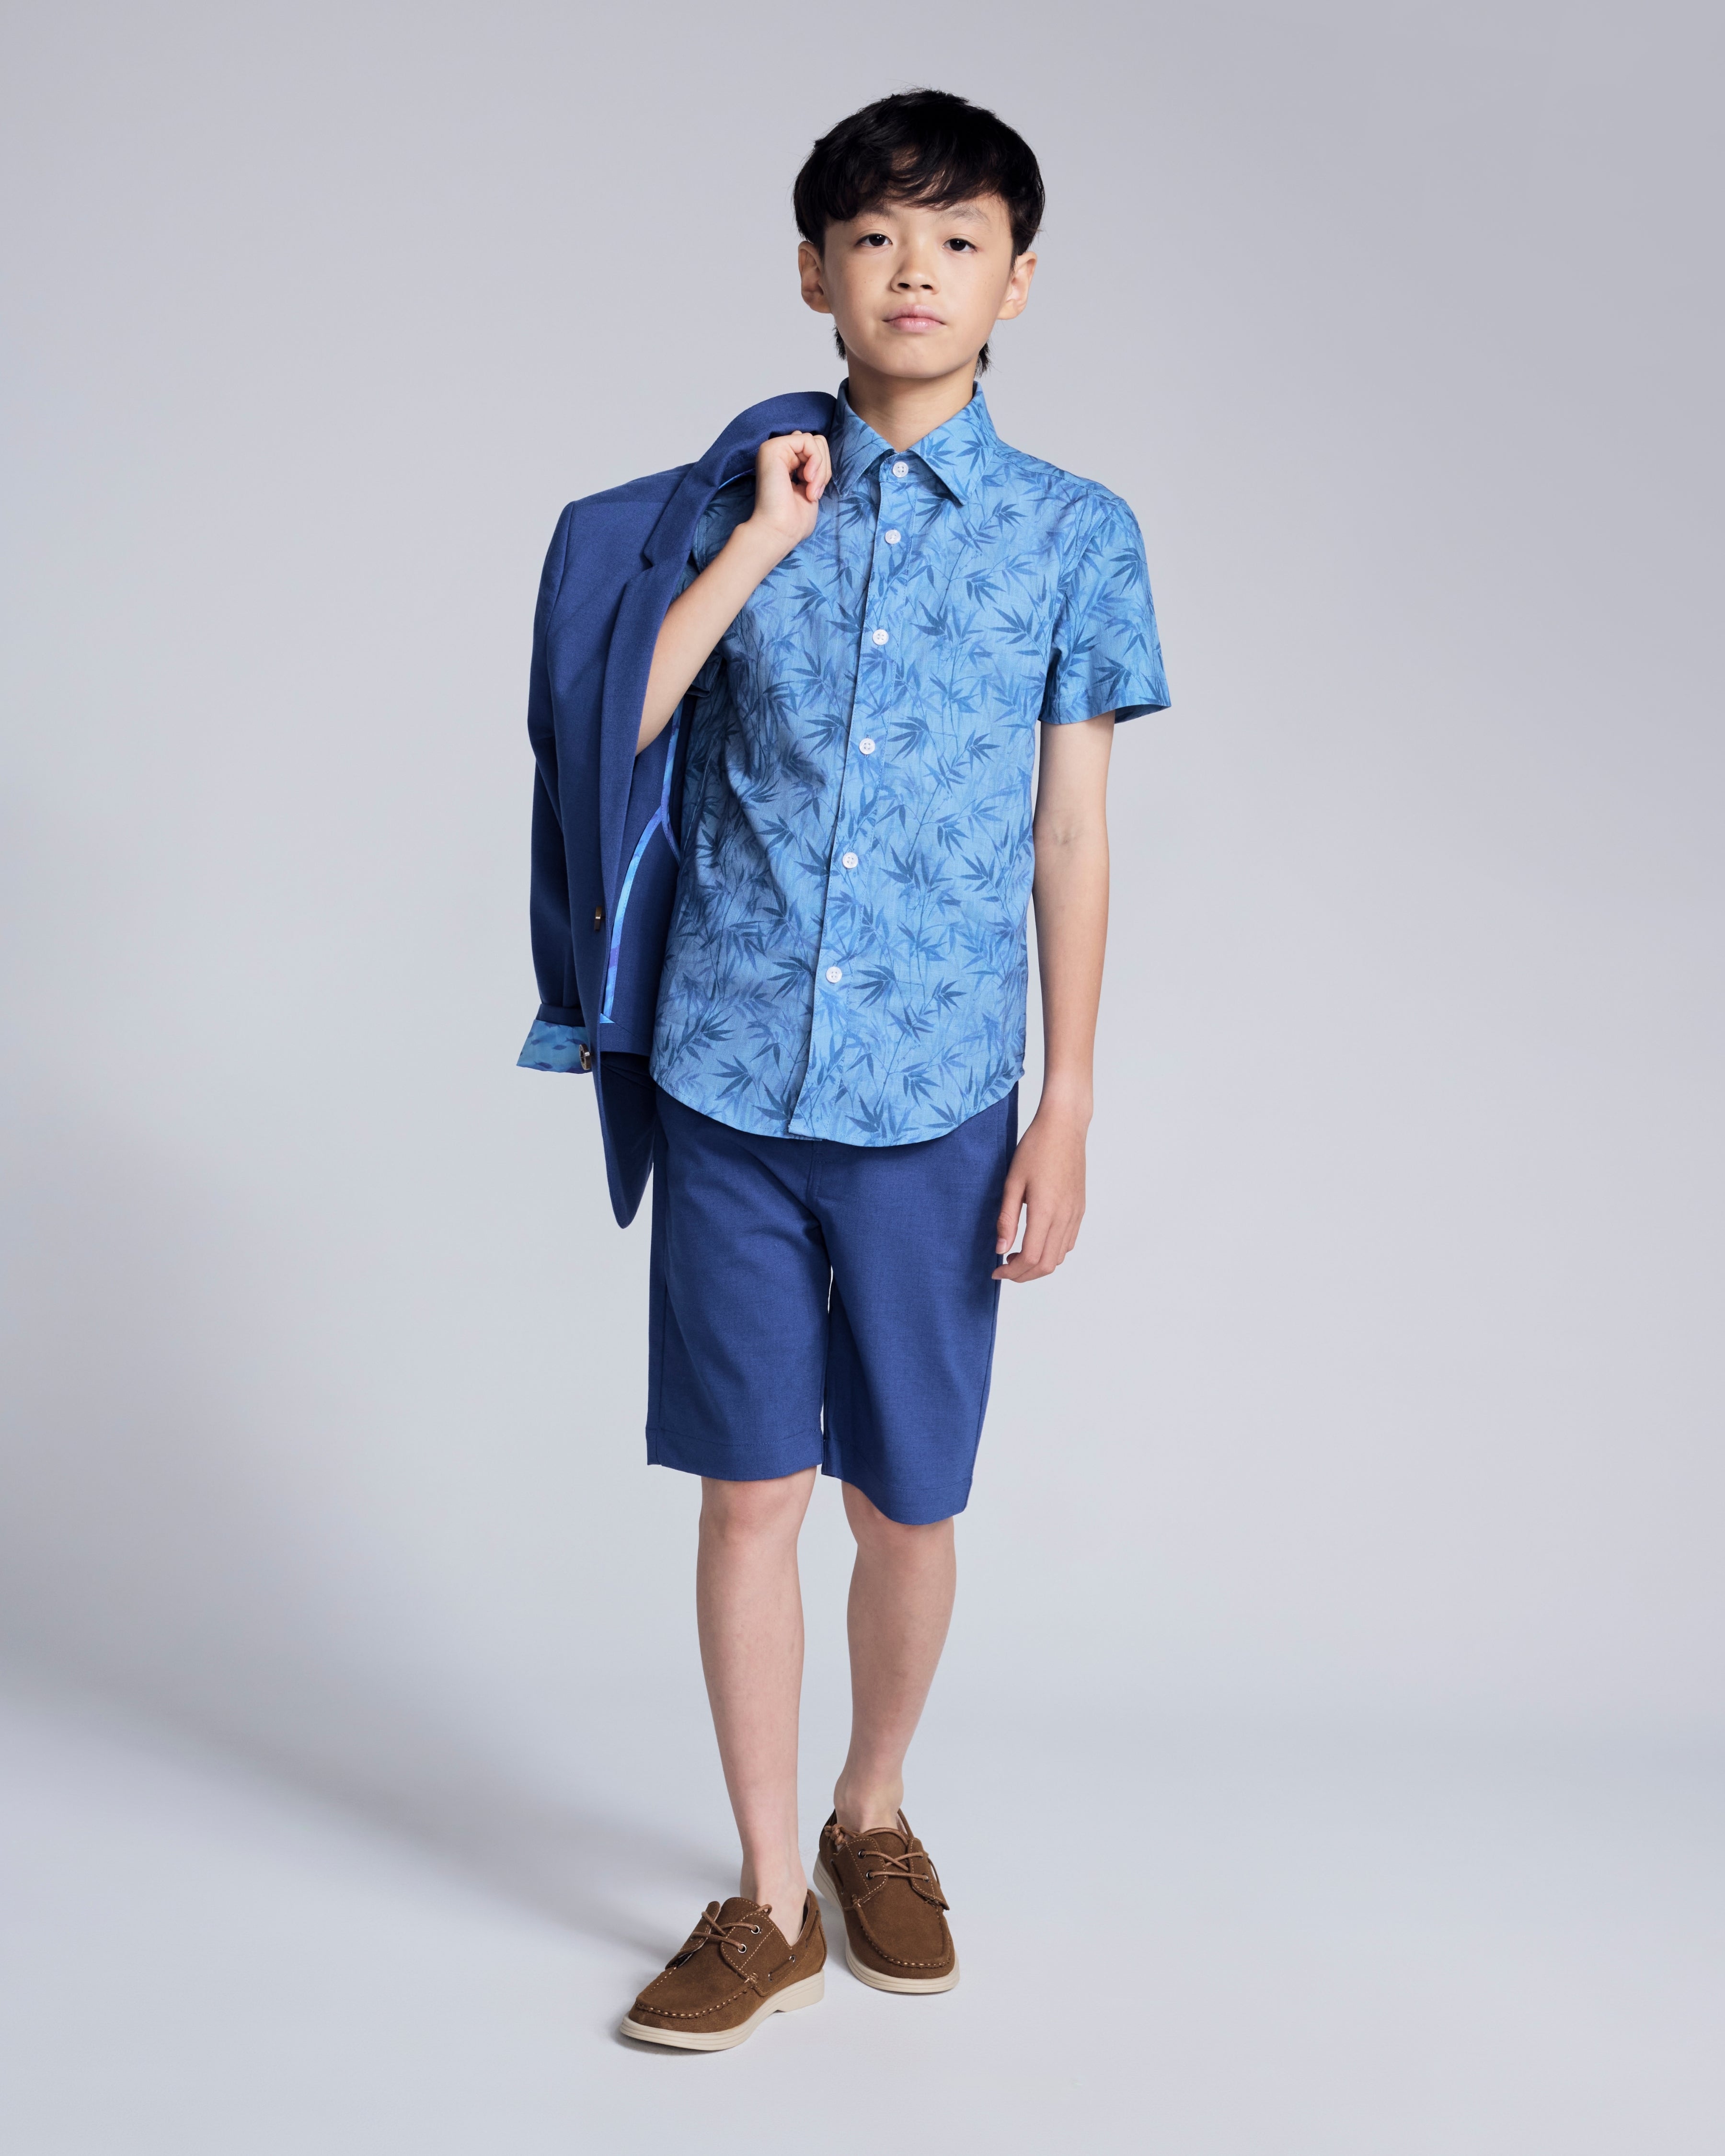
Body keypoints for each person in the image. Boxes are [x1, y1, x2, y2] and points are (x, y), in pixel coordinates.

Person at [523, 89, 1168, 2051]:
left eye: (958, 240)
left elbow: (1073, 833)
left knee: (906, 1502)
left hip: (939, 1101)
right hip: (728, 1080)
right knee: (747, 1496)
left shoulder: (1076, 537)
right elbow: (607, 735)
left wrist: (1067, 1101)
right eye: (874, 237)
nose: (914, 272)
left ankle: (871, 1811)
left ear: (1019, 283)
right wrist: (756, 545)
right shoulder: (735, 504)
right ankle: (766, 1894)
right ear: (812, 272)